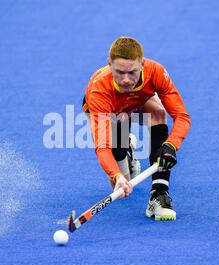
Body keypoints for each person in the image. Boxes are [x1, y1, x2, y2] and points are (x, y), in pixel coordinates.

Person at [82, 37, 191, 220]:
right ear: (109, 64)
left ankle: (159, 195)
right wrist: (116, 176)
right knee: (123, 177)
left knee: (158, 113)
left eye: (132, 72)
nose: (125, 80)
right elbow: (102, 147)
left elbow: (182, 117)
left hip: (141, 101)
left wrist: (170, 146)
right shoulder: (99, 89)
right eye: (119, 72)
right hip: (112, 111)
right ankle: (127, 152)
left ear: (142, 64)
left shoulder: (155, 71)